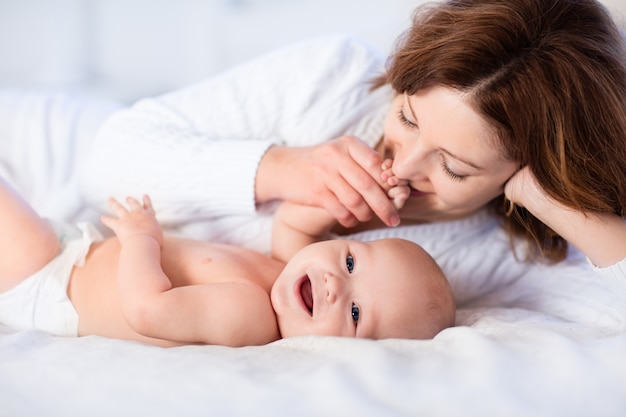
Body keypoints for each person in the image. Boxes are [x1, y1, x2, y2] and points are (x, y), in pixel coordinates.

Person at [74, 0, 626, 308]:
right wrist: (275, 169)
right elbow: (100, 167)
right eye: (407, 117)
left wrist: (547, 195)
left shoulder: (503, 254)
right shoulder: (332, 79)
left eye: (455, 166)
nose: (405, 166)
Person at [0, 174, 455, 347]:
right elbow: (296, 223)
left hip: (49, 280)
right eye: (352, 262)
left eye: (356, 313)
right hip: (72, 249)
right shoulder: (292, 274)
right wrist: (367, 196)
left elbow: (147, 310)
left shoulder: (252, 315)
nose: (336, 283)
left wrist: (142, 238)